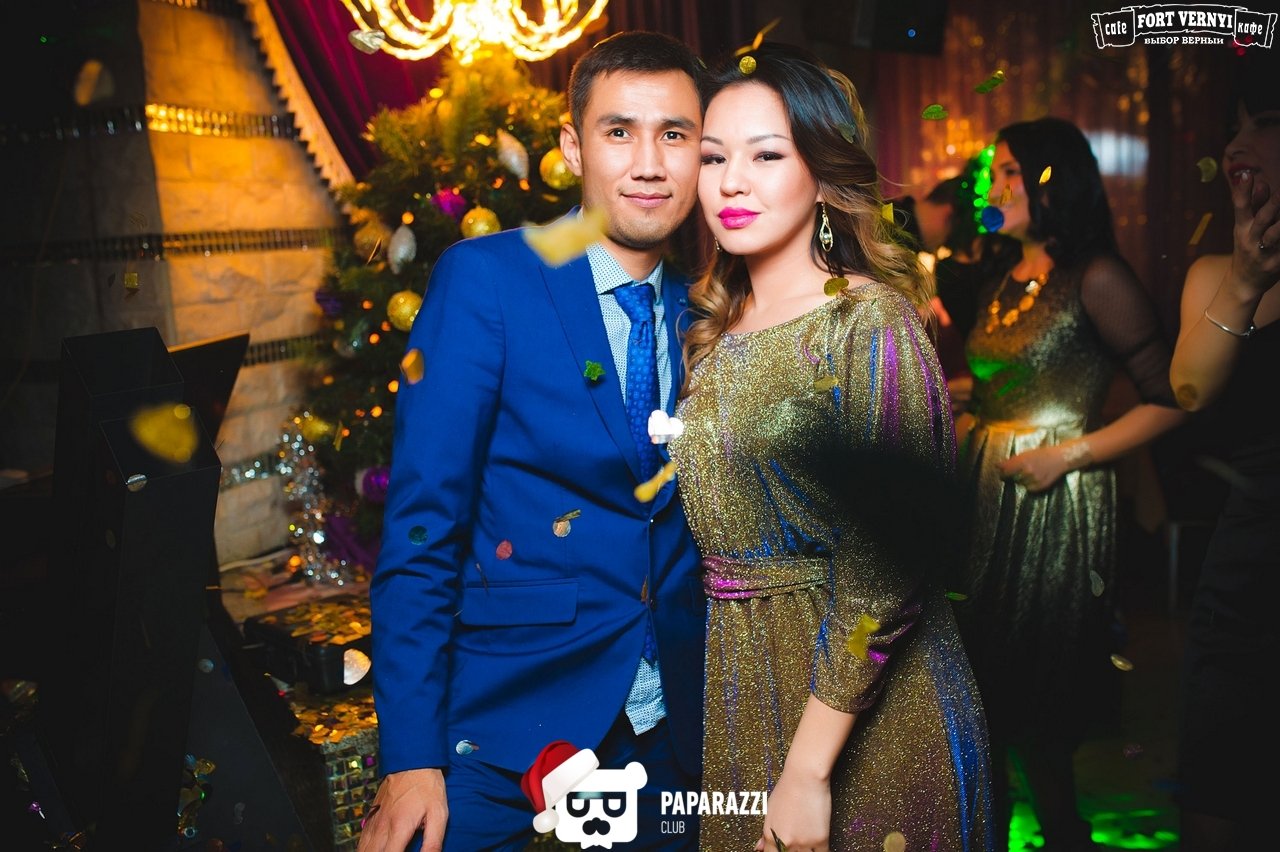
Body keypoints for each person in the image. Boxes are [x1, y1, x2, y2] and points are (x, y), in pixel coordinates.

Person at [357, 31, 707, 852]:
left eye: (674, 134)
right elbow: (422, 527)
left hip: (674, 740)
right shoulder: (488, 280)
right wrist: (410, 759)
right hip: (504, 737)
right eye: (618, 132)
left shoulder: (713, 307)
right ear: (572, 148)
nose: (648, 164)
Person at [669, 42, 993, 852]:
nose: (731, 182)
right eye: (713, 157)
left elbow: (888, 561)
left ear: (821, 174)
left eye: (766, 155)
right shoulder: (710, 330)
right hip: (744, 684)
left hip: (863, 710)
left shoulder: (868, 321)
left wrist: (810, 768)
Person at [949, 116, 1187, 852]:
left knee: (1040, 702)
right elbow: (1010, 378)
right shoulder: (1001, 276)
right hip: (989, 496)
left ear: (1054, 182)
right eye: (991, 172)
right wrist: (962, 398)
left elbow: (1171, 401)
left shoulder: (1097, 277)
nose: (993, 186)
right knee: (983, 693)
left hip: (1058, 500)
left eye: (1009, 172)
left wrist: (1069, 455)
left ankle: (1063, 835)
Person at [1169, 49, 1280, 852]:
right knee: (1217, 803)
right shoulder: (1212, 272)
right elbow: (1189, 392)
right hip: (1247, 567)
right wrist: (1244, 281)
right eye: (1233, 127)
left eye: (1264, 123)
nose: (1237, 143)